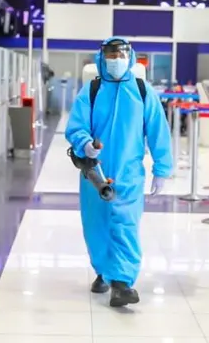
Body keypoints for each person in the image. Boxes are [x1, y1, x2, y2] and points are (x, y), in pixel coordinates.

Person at [65, 36, 173, 307]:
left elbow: (158, 131)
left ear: (131, 57)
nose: (116, 61)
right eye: (110, 56)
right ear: (102, 58)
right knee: (96, 225)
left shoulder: (142, 90)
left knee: (125, 224)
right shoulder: (90, 90)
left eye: (120, 55)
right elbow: (76, 126)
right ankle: (103, 270)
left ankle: (122, 282)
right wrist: (85, 145)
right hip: (95, 173)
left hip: (129, 173)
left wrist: (162, 169)